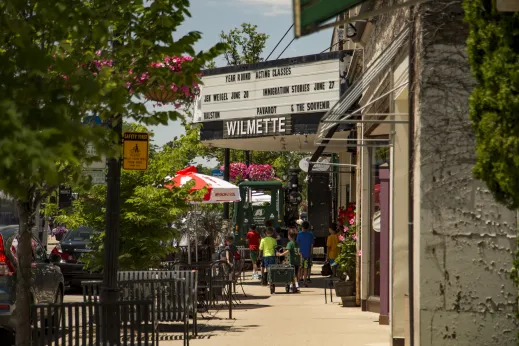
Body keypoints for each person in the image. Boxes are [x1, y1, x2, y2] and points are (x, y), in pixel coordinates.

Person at [296, 221, 314, 286]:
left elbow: (297, 243)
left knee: (300, 267)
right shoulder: (310, 234)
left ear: (302, 227)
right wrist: (311, 253)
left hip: (301, 254)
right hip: (308, 254)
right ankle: (305, 281)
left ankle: (300, 279)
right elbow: (312, 245)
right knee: (306, 268)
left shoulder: (299, 234)